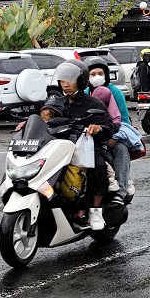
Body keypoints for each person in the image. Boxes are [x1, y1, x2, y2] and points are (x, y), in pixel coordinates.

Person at [53, 61, 116, 231]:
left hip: (87, 148)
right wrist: (29, 122)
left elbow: (109, 127)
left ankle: (94, 210)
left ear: (81, 81)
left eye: (70, 80)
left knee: (98, 165)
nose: (65, 84)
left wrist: (98, 128)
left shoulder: (93, 104)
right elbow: (44, 114)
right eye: (62, 80)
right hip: (60, 148)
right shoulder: (57, 102)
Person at [85, 57, 142, 198]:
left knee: (121, 149)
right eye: (92, 74)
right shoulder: (84, 93)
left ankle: (121, 191)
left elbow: (123, 120)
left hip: (113, 135)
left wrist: (114, 138)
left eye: (100, 73)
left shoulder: (115, 92)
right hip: (88, 137)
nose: (97, 77)